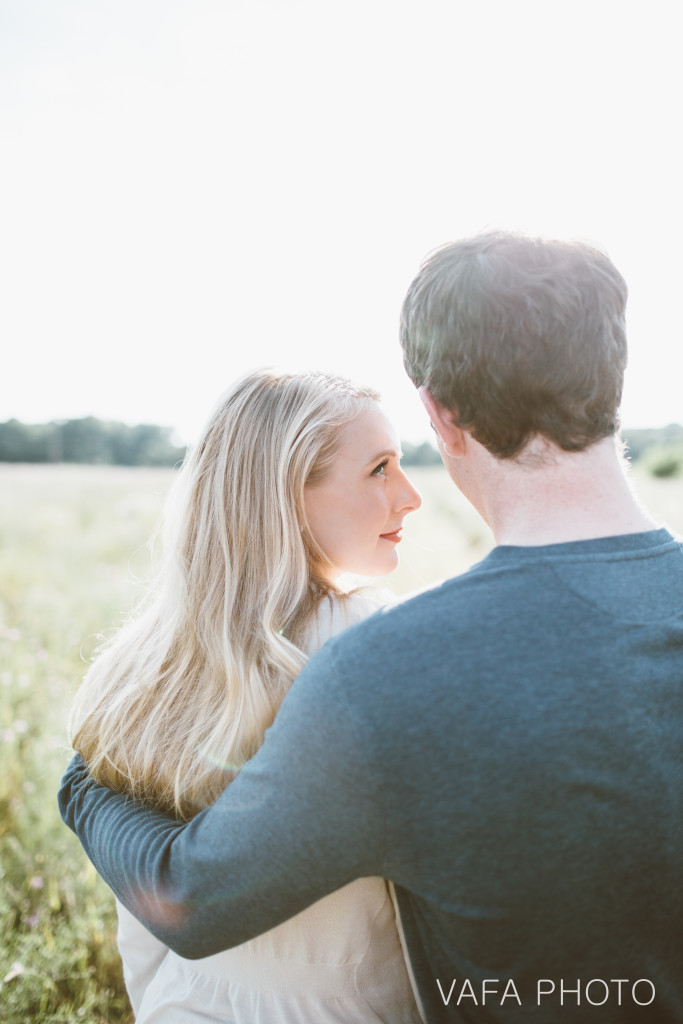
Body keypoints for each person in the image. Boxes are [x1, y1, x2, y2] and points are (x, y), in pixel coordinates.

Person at [60, 233, 683, 1023]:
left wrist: (83, 789)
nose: (405, 496)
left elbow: (194, 899)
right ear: (613, 378)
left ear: (439, 413)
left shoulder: (387, 670)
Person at [66, 368, 423, 1023]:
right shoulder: (377, 646)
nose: (410, 496)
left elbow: (143, 924)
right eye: (379, 469)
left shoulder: (138, 665)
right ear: (286, 494)